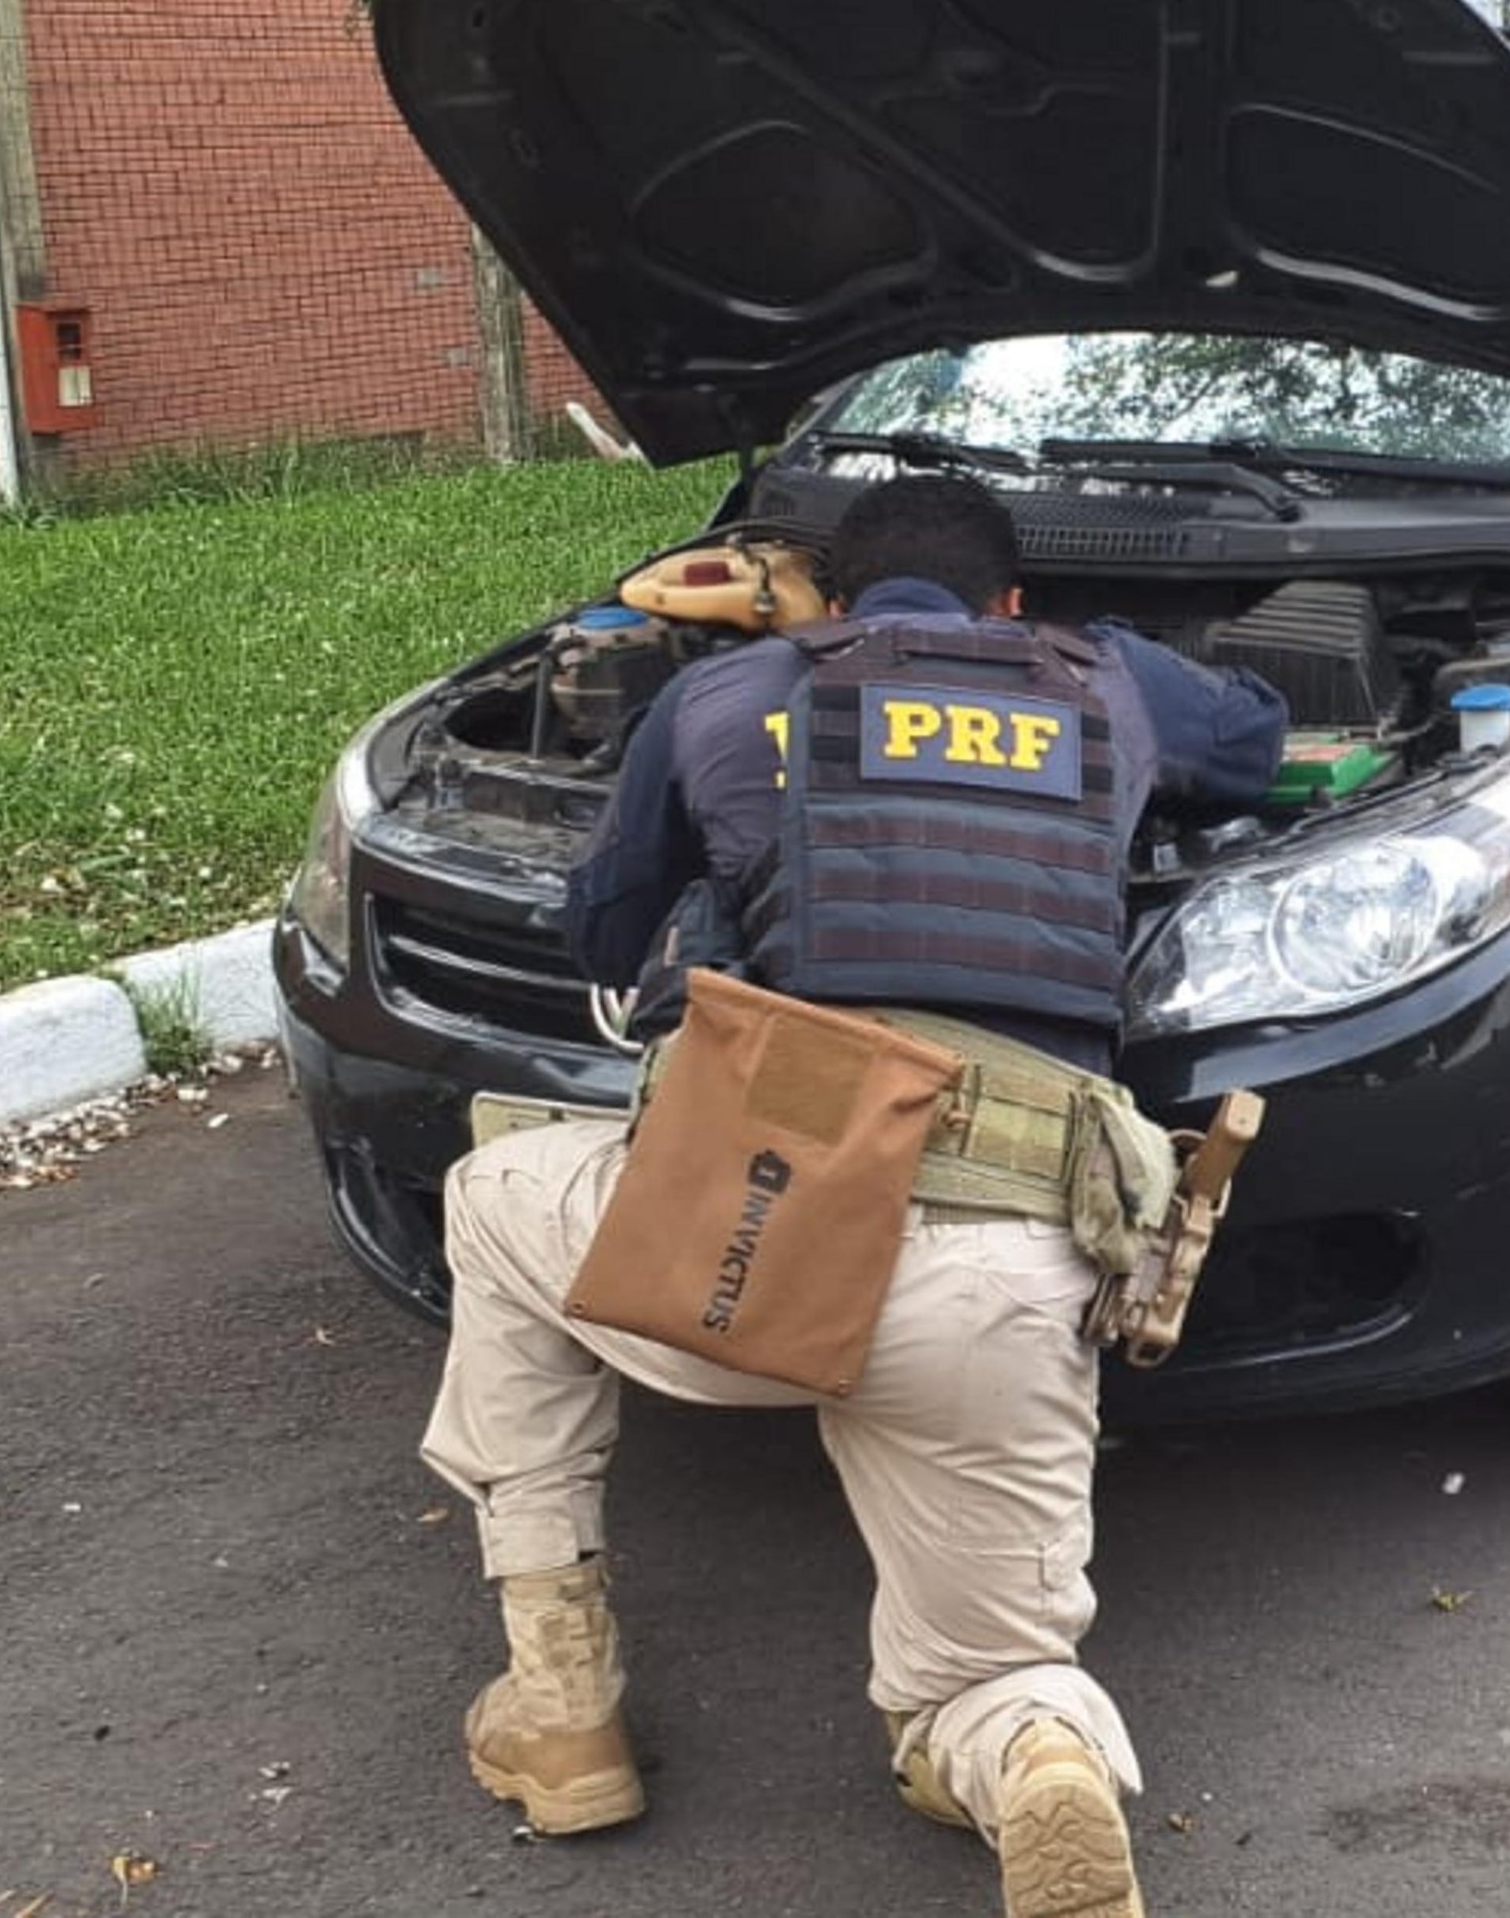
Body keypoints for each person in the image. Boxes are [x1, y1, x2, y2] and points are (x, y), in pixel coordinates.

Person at [418, 472, 1287, 1918]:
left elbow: (606, 921)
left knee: (497, 1187)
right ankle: (1035, 1757)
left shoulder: (732, 691)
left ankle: (562, 1707)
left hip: (747, 1253)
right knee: (996, 1661)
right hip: (1008, 1260)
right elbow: (1254, 738)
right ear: (1012, 605)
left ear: (824, 595)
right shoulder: (1107, 682)